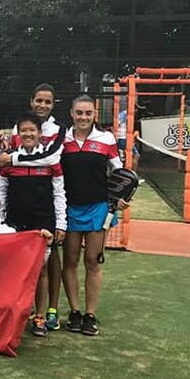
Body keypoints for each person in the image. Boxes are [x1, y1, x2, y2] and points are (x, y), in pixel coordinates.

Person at [0, 82, 66, 331]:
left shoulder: (55, 143)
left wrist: (61, 223)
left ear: (40, 133)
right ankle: (16, 313)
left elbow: (58, 190)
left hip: (43, 219)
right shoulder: (8, 157)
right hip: (15, 219)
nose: (28, 134)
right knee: (15, 268)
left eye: (32, 131)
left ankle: (40, 316)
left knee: (42, 269)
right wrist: (0, 219)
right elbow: (1, 190)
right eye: (24, 131)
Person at [60, 96, 127, 336]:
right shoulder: (62, 139)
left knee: (92, 261)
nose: (83, 117)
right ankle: (74, 312)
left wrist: (121, 197)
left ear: (95, 114)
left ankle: (90, 314)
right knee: (70, 261)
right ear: (72, 113)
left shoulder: (107, 139)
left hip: (98, 208)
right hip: (69, 209)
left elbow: (119, 172)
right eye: (79, 113)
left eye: (88, 113)